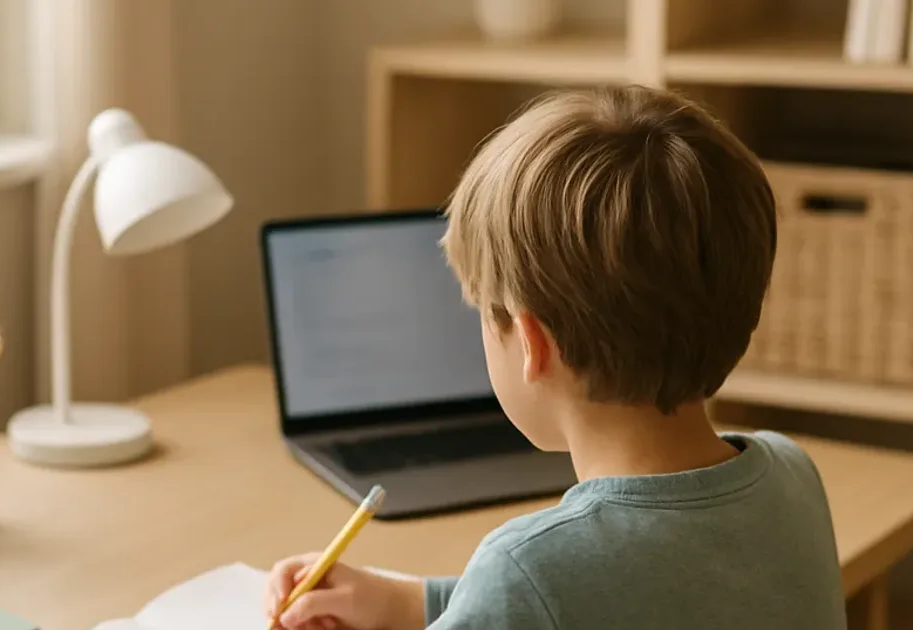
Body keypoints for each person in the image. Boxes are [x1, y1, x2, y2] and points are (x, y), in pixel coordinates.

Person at [264, 85, 847, 630]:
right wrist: (403, 602)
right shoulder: (792, 474)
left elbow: (543, 594)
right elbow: (619, 597)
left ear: (533, 344)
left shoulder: (524, 569)